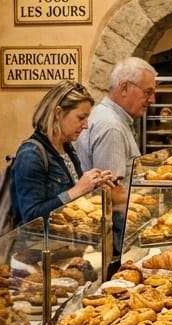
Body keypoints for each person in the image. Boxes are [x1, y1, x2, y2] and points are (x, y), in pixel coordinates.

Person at [74, 57, 156, 250]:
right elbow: (109, 195)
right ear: (124, 87)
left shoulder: (114, 120)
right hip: (115, 240)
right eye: (148, 92)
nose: (152, 100)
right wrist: (148, 209)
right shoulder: (112, 127)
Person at [12, 79, 116, 226]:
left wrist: (94, 186)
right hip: (38, 247)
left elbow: (73, 203)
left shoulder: (67, 148)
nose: (86, 125)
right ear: (58, 113)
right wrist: (77, 190)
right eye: (81, 118)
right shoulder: (31, 155)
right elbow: (31, 218)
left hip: (65, 244)